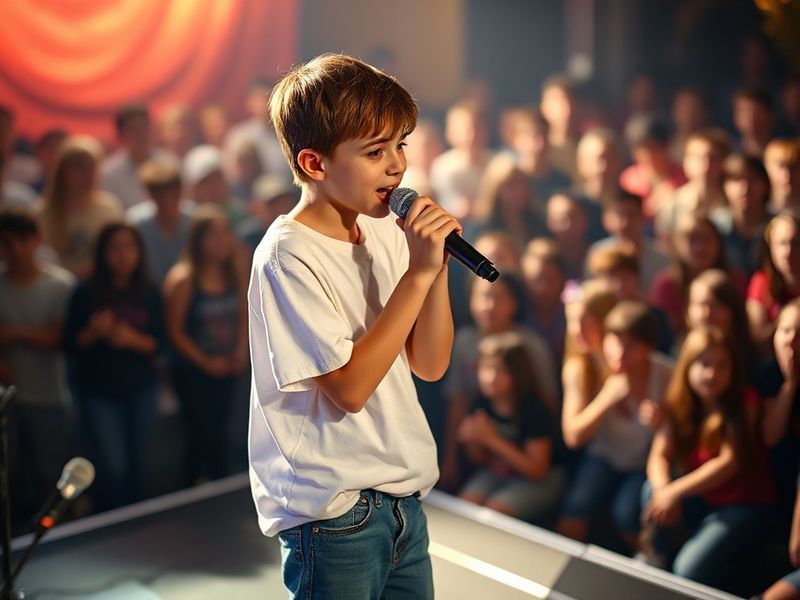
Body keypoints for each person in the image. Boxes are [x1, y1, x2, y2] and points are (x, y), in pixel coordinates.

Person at [247, 54, 460, 599]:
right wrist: (417, 273)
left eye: (400, 145)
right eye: (374, 151)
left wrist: (432, 269)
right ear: (315, 164)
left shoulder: (387, 230)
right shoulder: (288, 256)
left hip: (403, 501)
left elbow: (431, 366)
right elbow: (348, 388)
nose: (397, 166)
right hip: (335, 516)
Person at [641, 326, 776, 587]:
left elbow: (729, 462)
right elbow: (659, 454)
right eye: (704, 364)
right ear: (688, 367)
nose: (712, 373)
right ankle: (652, 557)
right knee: (651, 490)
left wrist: (675, 490)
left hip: (742, 504)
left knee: (687, 571)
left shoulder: (745, 402)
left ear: (733, 369)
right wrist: (663, 489)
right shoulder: (680, 402)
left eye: (721, 365)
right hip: (702, 498)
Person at [558, 299, 672, 553]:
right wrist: (607, 398)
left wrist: (664, 421)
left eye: (631, 346)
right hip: (603, 457)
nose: (620, 353)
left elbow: (682, 430)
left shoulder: (666, 375)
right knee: (575, 508)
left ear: (649, 348)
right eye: (614, 341)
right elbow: (573, 436)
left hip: (641, 465)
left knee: (627, 514)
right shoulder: (589, 368)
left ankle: (651, 563)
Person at [63, 223, 164, 510]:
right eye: (115, 248)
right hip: (99, 392)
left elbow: (161, 344)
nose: (123, 255)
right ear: (103, 253)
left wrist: (131, 339)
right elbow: (69, 345)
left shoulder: (148, 289)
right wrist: (93, 333)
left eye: (129, 247)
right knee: (113, 464)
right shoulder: (85, 291)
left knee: (140, 460)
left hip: (140, 388)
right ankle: (112, 518)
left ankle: (138, 520)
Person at [0, 208, 75, 530]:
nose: (14, 250)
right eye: (6, 243)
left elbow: (59, 339)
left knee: (49, 474)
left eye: (21, 241)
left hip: (49, 396)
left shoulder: (60, 285)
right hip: (8, 402)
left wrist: (15, 334)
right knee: (11, 477)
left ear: (37, 241)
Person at [164, 206, 248, 485]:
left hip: (227, 365)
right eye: (213, 234)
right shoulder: (184, 278)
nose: (222, 240)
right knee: (200, 435)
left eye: (226, 232)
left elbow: (246, 310)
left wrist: (240, 350)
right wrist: (206, 363)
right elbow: (174, 332)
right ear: (198, 240)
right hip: (192, 372)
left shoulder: (234, 271)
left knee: (224, 434)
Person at [457, 331, 565, 522]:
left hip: (543, 479)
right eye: (485, 368)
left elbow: (538, 470)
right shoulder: (482, 403)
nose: (490, 377)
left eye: (500, 370)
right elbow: (479, 458)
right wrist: (473, 442)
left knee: (494, 512)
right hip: (500, 472)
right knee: (466, 504)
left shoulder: (534, 410)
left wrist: (491, 439)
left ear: (518, 373)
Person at [37, 135, 124, 277]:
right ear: (62, 172)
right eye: (80, 169)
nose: (88, 176)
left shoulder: (110, 209)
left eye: (92, 168)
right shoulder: (42, 213)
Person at [649, 214, 732, 336]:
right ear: (677, 244)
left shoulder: (734, 281)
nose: (699, 248)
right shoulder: (666, 286)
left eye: (706, 239)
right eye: (691, 239)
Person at [587, 191, 670, 295]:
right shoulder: (597, 253)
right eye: (619, 215)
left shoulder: (661, 259)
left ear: (643, 217)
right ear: (606, 219)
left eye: (631, 215)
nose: (625, 223)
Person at [128, 159, 194, 286]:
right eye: (160, 196)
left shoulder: (194, 220)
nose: (166, 201)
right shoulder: (136, 224)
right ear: (150, 195)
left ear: (180, 192)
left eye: (172, 194)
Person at [429, 99, 496, 220]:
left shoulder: (497, 164)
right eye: (465, 128)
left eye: (477, 127)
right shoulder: (443, 167)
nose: (472, 135)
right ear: (450, 131)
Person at [100, 103, 176, 209]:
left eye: (144, 127)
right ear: (121, 135)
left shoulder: (170, 163)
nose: (141, 134)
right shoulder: (110, 174)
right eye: (134, 129)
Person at [747, 211, 800, 354]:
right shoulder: (761, 283)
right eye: (782, 244)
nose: (788, 252)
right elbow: (758, 340)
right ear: (771, 248)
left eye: (796, 243)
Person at [711, 153, 771, 277]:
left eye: (753, 179)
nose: (745, 188)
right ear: (724, 186)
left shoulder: (779, 226)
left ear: (765, 184)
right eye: (736, 179)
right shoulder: (713, 226)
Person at [764, 138, 800, 213]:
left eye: (793, 167)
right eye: (781, 166)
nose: (787, 174)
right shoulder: (757, 210)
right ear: (766, 168)